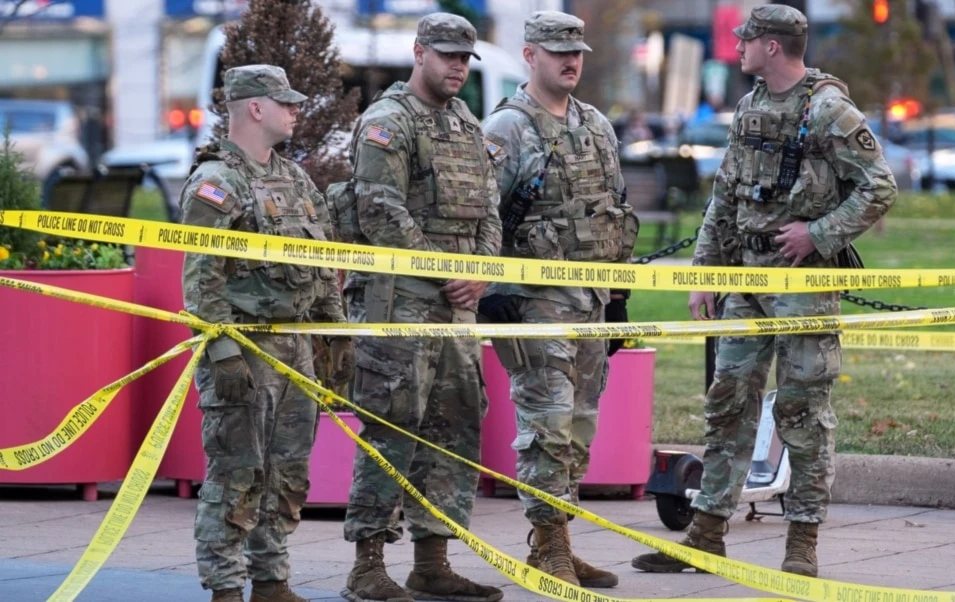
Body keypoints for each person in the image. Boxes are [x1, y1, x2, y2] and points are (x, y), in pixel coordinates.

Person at [631, 5, 897, 578]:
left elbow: (879, 186)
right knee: (727, 404)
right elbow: (726, 194)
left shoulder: (829, 109)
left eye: (745, 38)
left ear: (771, 46)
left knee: (802, 411)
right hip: (746, 279)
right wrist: (706, 271)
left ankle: (800, 544)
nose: (738, 45)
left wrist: (817, 233)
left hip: (801, 283)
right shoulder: (750, 106)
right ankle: (705, 534)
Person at [334, 12, 504, 602]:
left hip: (457, 309)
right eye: (446, 55)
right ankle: (368, 564)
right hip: (399, 305)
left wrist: (478, 272)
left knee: (453, 427)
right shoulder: (388, 121)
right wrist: (446, 269)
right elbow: (381, 214)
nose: (457, 67)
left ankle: (432, 560)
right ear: (418, 53)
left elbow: (490, 210)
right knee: (393, 428)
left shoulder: (464, 122)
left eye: (464, 58)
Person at [181, 64, 353, 602]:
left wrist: (336, 333)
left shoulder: (295, 179)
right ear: (255, 108)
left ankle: (271, 580)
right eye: (286, 102)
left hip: (295, 349)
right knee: (237, 474)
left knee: (287, 473)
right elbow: (201, 279)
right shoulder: (216, 183)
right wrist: (225, 352)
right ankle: (227, 588)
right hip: (245, 352)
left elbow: (321, 263)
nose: (296, 110)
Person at [479, 10, 637, 589]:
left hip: (590, 303)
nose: (570, 61)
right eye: (557, 51)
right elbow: (481, 218)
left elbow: (614, 214)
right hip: (535, 304)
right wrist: (494, 291)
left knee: (578, 430)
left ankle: (554, 540)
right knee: (546, 427)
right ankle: (553, 548)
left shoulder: (596, 125)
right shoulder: (506, 129)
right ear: (530, 56)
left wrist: (618, 299)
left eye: (576, 52)